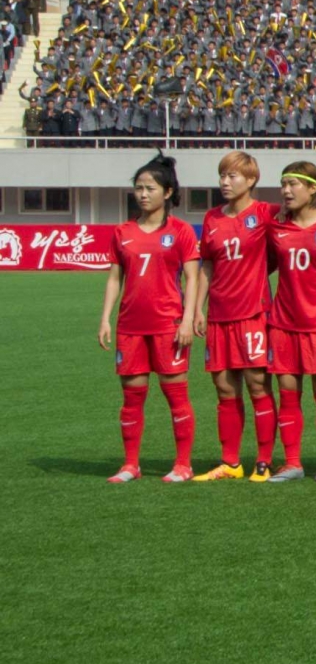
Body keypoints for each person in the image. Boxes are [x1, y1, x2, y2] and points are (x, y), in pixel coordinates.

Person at [100, 152, 200, 482]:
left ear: (167, 192)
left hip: (168, 325)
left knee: (176, 397)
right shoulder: (122, 231)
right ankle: (131, 464)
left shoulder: (181, 231)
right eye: (139, 188)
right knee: (132, 397)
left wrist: (187, 319)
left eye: (150, 188)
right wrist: (105, 318)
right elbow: (114, 278)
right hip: (130, 327)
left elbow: (193, 278)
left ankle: (183, 464)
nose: (143, 194)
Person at [194, 150, 276, 480]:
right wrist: (197, 308)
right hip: (218, 315)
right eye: (222, 175)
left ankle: (264, 461)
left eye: (232, 176)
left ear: (251, 180)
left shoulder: (266, 212)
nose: (224, 182)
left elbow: (305, 212)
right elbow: (207, 266)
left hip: (253, 314)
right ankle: (230, 462)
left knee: (258, 386)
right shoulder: (212, 218)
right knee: (225, 389)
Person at [265, 161, 316, 482]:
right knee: (288, 394)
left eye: (293, 184)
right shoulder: (276, 228)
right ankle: (292, 463)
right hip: (283, 323)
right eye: (283, 184)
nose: (286, 190)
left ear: (313, 189)